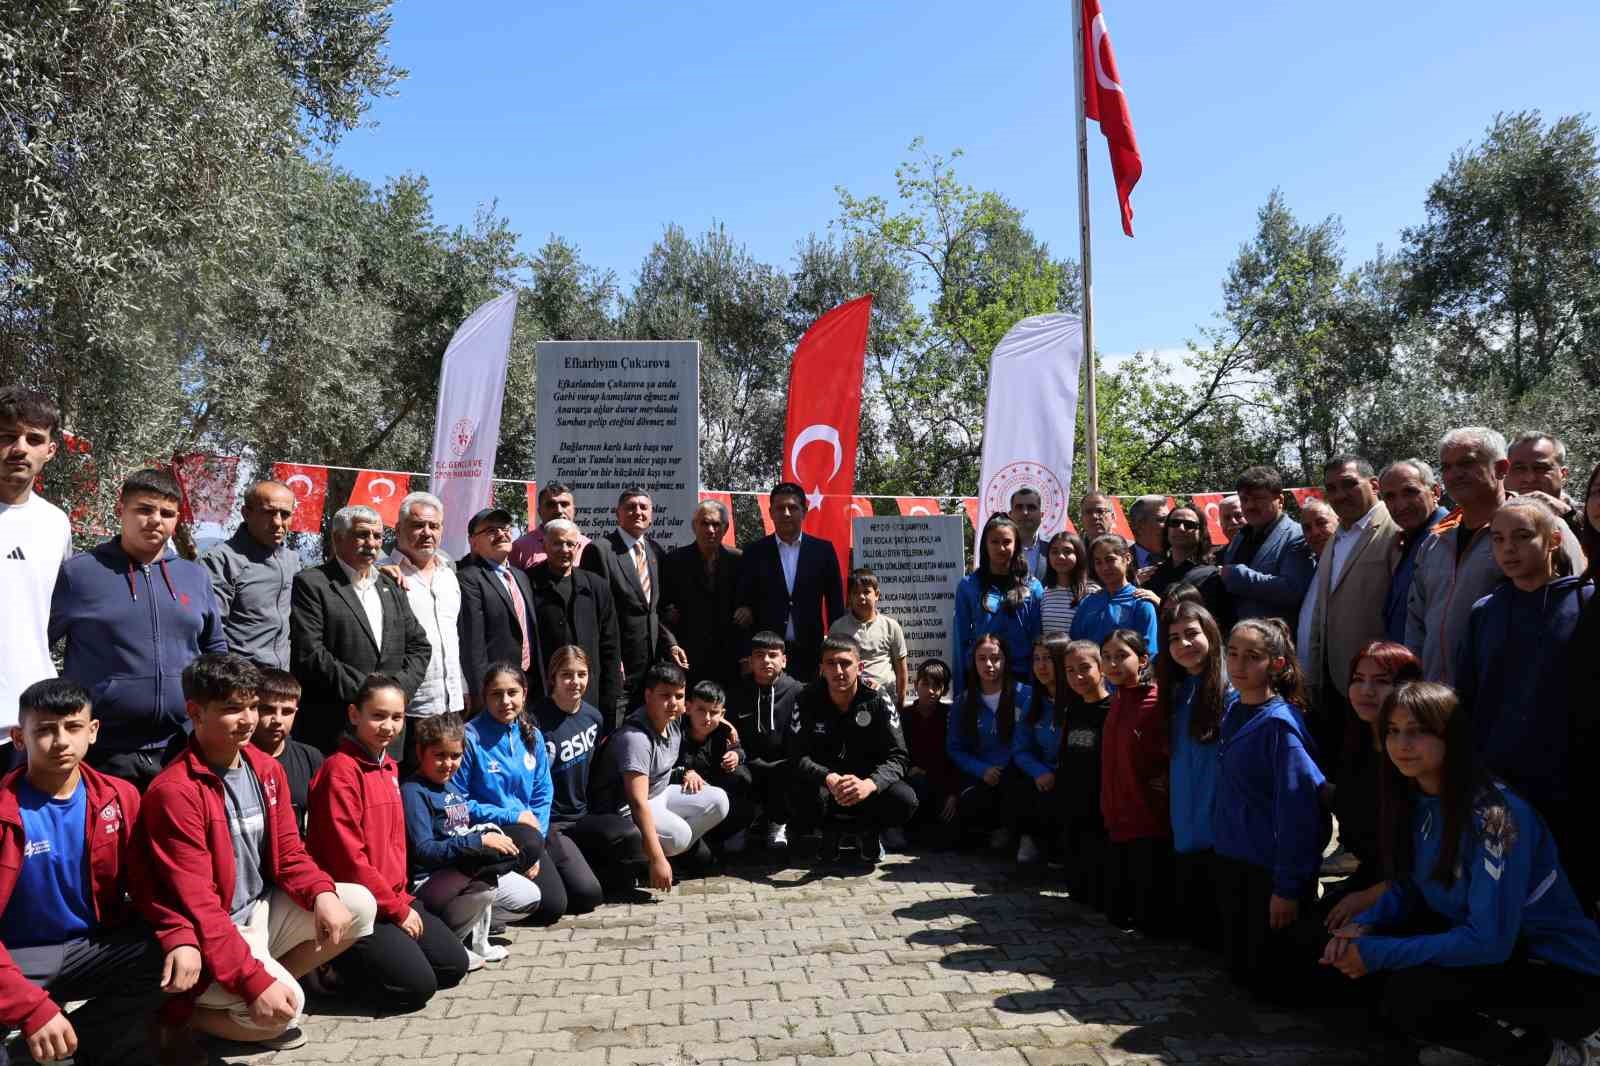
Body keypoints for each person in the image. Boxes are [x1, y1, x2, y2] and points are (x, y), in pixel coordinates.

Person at [1322, 682, 1600, 1066]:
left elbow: (1489, 942)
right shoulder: (1415, 798)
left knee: (1408, 994)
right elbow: (1415, 887)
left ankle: (1562, 1054)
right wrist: (1366, 926)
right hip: (1501, 958)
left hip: (1563, 976)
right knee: (1353, 972)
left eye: (1418, 731)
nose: (1402, 743)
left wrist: (1379, 953)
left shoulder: (1497, 817)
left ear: (1450, 736)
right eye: (1393, 730)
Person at [134, 653, 375, 1049]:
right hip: (214, 930)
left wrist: (322, 893)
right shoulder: (174, 792)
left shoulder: (265, 769)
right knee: (286, 1013)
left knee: (359, 905)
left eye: (252, 706)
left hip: (260, 909)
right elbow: (199, 905)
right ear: (195, 712)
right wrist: (254, 981)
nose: (248, 720)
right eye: (231, 709)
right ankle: (183, 1013)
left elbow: (290, 852)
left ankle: (259, 993)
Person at [0, 679, 185, 1065]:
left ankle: (73, 1047)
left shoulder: (119, 797)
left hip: (91, 949)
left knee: (172, 955)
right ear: (19, 738)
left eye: (72, 727)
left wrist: (180, 936)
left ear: (93, 731)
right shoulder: (4, 811)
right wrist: (34, 1009)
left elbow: (149, 884)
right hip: (16, 956)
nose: (62, 741)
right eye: (45, 730)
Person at [50, 468, 227, 788]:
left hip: (180, 745)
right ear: (121, 511)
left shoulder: (195, 577)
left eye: (167, 513)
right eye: (144, 509)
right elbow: (38, 645)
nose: (156, 519)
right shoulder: (80, 575)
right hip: (102, 750)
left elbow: (215, 651)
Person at [308, 675, 469, 1011]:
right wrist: (396, 911)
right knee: (415, 988)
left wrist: (402, 902)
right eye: (378, 715)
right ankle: (329, 966)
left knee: (453, 966)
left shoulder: (389, 767)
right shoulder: (340, 770)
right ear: (354, 715)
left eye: (397, 717)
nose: (388, 726)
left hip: (394, 896)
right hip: (360, 905)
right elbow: (349, 858)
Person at [1456, 498, 1592, 834]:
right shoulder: (1485, 612)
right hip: (1502, 775)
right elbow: (1469, 694)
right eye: (1498, 539)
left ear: (1553, 540)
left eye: (1522, 536)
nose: (1509, 549)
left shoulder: (1585, 602)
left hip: (1572, 776)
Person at [1407, 428, 1586, 684]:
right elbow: (1416, 622)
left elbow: (1573, 610)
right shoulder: (1435, 542)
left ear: (1501, 468)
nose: (1455, 474)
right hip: (1439, 701)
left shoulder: (1547, 528)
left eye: (1467, 463)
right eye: (1446, 467)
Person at [1210, 618, 1326, 1001]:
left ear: (1276, 664)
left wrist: (1288, 888)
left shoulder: (1280, 726)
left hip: (1267, 870)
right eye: (1233, 654)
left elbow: (1300, 814)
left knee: (1270, 985)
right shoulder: (1231, 708)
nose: (1239, 665)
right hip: (1233, 859)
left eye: (1253, 656)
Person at [455, 663, 595, 923]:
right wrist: (511, 816)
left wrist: (536, 845)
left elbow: (543, 794)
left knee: (586, 895)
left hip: (531, 832)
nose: (505, 701)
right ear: (484, 696)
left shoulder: (532, 735)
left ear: (524, 693)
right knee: (553, 907)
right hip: (490, 832)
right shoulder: (469, 738)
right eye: (496, 694)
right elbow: (458, 804)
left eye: (512, 693)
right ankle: (477, 912)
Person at [289, 504, 431, 755]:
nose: (372, 543)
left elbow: (419, 646)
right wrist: (369, 696)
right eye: (362, 535)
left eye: (377, 536)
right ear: (337, 538)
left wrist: (396, 693)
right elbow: (311, 654)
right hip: (335, 732)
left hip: (388, 737)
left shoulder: (391, 585)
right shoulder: (312, 584)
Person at [588, 664, 728, 889]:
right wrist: (657, 859)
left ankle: (668, 855)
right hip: (624, 810)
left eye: (679, 696)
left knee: (719, 801)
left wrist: (731, 732)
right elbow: (636, 803)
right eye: (665, 695)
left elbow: (710, 715)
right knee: (680, 836)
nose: (673, 702)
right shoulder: (636, 739)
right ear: (648, 695)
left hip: (660, 794)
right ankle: (647, 862)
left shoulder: (673, 719)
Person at [401, 713, 524, 968]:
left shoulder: (452, 788)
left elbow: (462, 831)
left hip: (459, 872)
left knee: (528, 897)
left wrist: (486, 837)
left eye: (455, 756)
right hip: (429, 881)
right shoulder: (414, 792)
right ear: (420, 752)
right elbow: (424, 850)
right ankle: (450, 941)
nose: (448, 763)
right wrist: (477, 843)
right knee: (482, 881)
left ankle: (478, 939)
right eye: (439, 755)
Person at [1300, 457, 1399, 764]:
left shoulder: (1394, 530)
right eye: (1332, 488)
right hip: (1336, 686)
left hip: (1378, 688)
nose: (1340, 494)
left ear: (1374, 485)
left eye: (1349, 484)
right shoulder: (1338, 536)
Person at [785, 638, 917, 866]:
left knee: (905, 800)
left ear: (860, 667)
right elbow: (797, 755)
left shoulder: (878, 697)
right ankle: (830, 831)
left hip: (866, 784)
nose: (838, 671)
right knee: (794, 792)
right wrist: (827, 778)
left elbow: (899, 756)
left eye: (845, 663)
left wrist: (870, 784)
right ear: (822, 668)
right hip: (827, 782)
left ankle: (869, 831)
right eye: (831, 663)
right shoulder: (806, 698)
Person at [1320, 641, 1422, 930]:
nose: (1366, 691)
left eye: (1381, 682)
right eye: (1358, 680)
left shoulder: (1416, 759)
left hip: (1412, 890)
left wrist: (1369, 897)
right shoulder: (1355, 745)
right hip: (1372, 876)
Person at [0, 387, 72, 776]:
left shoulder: (55, 524)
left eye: (33, 439)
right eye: (7, 436)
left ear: (50, 451)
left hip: (29, 722)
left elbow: (56, 613)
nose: (19, 448)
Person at [530, 646, 645, 889]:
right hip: (552, 822)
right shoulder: (535, 721)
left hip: (582, 816)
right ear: (553, 678)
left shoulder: (594, 717)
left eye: (581, 674)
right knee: (586, 894)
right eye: (567, 675)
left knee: (630, 836)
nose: (575, 682)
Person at [1156, 602, 1231, 950]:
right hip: (1185, 812)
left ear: (1211, 634)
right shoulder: (1178, 688)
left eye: (1191, 634)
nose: (1183, 644)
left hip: (1217, 821)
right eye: (1173, 638)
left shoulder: (1229, 690)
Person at [581, 489, 686, 719]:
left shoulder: (655, 551)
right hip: (618, 665)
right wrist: (609, 658)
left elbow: (656, 610)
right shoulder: (600, 550)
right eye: (630, 507)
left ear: (651, 515)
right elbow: (594, 613)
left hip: (650, 665)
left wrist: (671, 643)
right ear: (617, 513)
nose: (637, 512)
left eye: (643, 507)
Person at [1098, 629, 1172, 934]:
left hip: (1147, 819)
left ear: (1142, 660)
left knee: (1149, 920)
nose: (1113, 664)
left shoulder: (1155, 701)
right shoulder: (1117, 700)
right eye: (1107, 657)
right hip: (1117, 816)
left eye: (1121, 656)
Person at [734, 482, 845, 682]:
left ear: (804, 510)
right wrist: (745, 655)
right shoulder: (753, 552)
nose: (786, 513)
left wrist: (834, 653)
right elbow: (743, 606)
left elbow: (835, 605)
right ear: (770, 512)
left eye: (792, 507)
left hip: (811, 653)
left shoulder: (823, 551)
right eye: (780, 508)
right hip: (768, 654)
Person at [381, 492, 465, 728]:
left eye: (434, 526)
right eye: (418, 525)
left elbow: (453, 637)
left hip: (452, 703)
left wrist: (463, 687)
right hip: (406, 706)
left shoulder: (448, 575)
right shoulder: (381, 575)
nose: (427, 532)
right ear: (398, 530)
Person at [525, 518, 621, 720]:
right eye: (557, 543)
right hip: (544, 695)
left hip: (589, 695)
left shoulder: (596, 586)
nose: (564, 549)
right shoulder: (528, 583)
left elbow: (610, 644)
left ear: (578, 547)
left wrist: (610, 695)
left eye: (570, 544)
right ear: (544, 545)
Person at [200, 480, 301, 670]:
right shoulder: (221, 560)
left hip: (281, 682)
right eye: (269, 512)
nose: (278, 522)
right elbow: (212, 630)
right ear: (246, 514)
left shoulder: (292, 561)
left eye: (285, 514)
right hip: (239, 681)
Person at [456, 507, 545, 714]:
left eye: (505, 528)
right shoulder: (469, 578)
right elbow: (473, 644)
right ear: (473, 542)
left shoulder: (520, 576)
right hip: (497, 691)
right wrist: (482, 693)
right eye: (491, 531)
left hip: (528, 683)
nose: (502, 534)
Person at [725, 632, 803, 850]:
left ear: (784, 660)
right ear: (750, 661)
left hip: (783, 762)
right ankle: (740, 826)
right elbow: (729, 731)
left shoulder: (798, 691)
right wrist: (736, 753)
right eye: (759, 655)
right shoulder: (737, 691)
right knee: (734, 775)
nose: (766, 661)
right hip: (748, 760)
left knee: (790, 772)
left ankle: (777, 824)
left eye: (773, 655)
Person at [946, 634, 1025, 849]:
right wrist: (982, 770)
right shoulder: (963, 701)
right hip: (981, 777)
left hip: (1016, 774)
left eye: (996, 658)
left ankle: (1018, 835)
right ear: (973, 662)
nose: (989, 664)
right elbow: (954, 748)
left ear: (1006, 660)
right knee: (969, 807)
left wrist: (1007, 767)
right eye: (981, 658)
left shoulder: (1025, 696)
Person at [952, 514, 1043, 692]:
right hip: (982, 680)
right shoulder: (968, 586)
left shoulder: (1033, 587)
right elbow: (960, 640)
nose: (1001, 548)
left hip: (1022, 681)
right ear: (985, 545)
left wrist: (1036, 687)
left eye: (1007, 542)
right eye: (994, 541)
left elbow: (1037, 639)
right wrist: (961, 691)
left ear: (1016, 545)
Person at [1055, 639, 1114, 910]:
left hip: (1100, 801)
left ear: (1101, 668)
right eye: (1069, 670)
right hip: (1073, 800)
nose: (1077, 676)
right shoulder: (1073, 708)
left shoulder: (1113, 709)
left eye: (1084, 668)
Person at [660, 498, 743, 689]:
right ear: (693, 526)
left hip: (729, 659)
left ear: (726, 527)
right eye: (704, 523)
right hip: (687, 657)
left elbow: (748, 601)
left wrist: (746, 609)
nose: (710, 530)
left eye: (716, 524)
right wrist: (671, 643)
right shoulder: (674, 561)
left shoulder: (739, 560)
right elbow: (661, 608)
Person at [1217, 466, 1314, 626]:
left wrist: (1240, 575)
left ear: (1280, 500)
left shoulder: (1297, 536)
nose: (1249, 506)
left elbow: (1293, 591)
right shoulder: (1240, 536)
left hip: (1275, 642)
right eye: (1244, 500)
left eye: (1258, 498)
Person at [1009, 633, 1072, 865]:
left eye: (1048, 658)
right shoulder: (1033, 701)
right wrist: (1039, 771)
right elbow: (1021, 748)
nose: (1041, 666)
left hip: (1071, 774)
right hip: (1045, 774)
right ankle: (1029, 839)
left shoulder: (1079, 699)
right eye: (1036, 659)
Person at [674, 682, 755, 855]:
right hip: (683, 797)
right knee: (702, 858)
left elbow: (739, 749)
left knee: (743, 777)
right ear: (688, 708)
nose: (707, 718)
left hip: (715, 793)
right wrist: (685, 772)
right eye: (701, 710)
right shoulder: (677, 731)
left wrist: (735, 756)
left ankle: (724, 836)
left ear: (722, 714)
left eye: (714, 712)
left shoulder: (723, 733)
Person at [1378, 459, 1448, 644]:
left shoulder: (1449, 539)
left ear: (1435, 492)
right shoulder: (1407, 540)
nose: (1400, 505)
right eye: (1390, 497)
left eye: (1410, 492)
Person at [250, 670, 323, 836]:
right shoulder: (236, 759)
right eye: (268, 710)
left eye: (287, 712)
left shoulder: (310, 758)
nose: (277, 720)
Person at [829, 568, 909, 706]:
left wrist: (900, 704)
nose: (861, 597)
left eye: (866, 592)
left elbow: (901, 671)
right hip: (849, 701)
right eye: (856, 593)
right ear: (849, 597)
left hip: (884, 700)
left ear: (877, 594)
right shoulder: (838, 627)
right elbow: (829, 665)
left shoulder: (891, 626)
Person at [900, 658, 957, 850]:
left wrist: (953, 793)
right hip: (911, 780)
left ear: (945, 689)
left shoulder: (950, 717)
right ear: (916, 685)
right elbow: (896, 753)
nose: (931, 691)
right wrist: (909, 770)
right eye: (925, 684)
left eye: (937, 686)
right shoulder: (904, 716)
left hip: (940, 782)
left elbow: (955, 758)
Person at [1070, 534, 1159, 650]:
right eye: (1098, 562)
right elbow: (1075, 645)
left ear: (1127, 558)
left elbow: (1148, 651)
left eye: (1110, 560)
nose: (1104, 567)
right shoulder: (1087, 603)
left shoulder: (1140, 602)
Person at [1508, 430, 1584, 540]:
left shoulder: (1590, 518)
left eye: (1540, 468)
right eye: (1519, 469)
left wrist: (1570, 517)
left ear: (1563, 474)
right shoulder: (1491, 520)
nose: (1529, 478)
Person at [509, 481, 590, 571]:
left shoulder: (588, 546)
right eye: (551, 505)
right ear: (539, 512)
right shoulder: (520, 547)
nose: (559, 511)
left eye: (564, 504)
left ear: (574, 510)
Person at [1144, 505, 1217, 601]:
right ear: (1167, 530)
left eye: (1189, 525)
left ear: (1201, 532)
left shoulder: (1211, 575)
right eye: (1175, 523)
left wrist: (1159, 603)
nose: (1181, 528)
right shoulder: (1153, 574)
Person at [1039, 530, 1099, 637]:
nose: (1060, 556)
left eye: (1067, 551)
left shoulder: (1093, 591)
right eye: (1054, 552)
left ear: (1079, 555)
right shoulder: (1046, 592)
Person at [1008, 487, 1049, 581]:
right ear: (1010, 514)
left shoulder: (1053, 551)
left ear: (1041, 515)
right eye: (1019, 507)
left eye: (1031, 507)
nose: (1025, 512)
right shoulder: (998, 550)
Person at [1126, 495, 1171, 571]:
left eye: (1170, 519)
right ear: (1138, 526)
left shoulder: (1181, 555)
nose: (1169, 525)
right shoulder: (1118, 560)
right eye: (1162, 520)